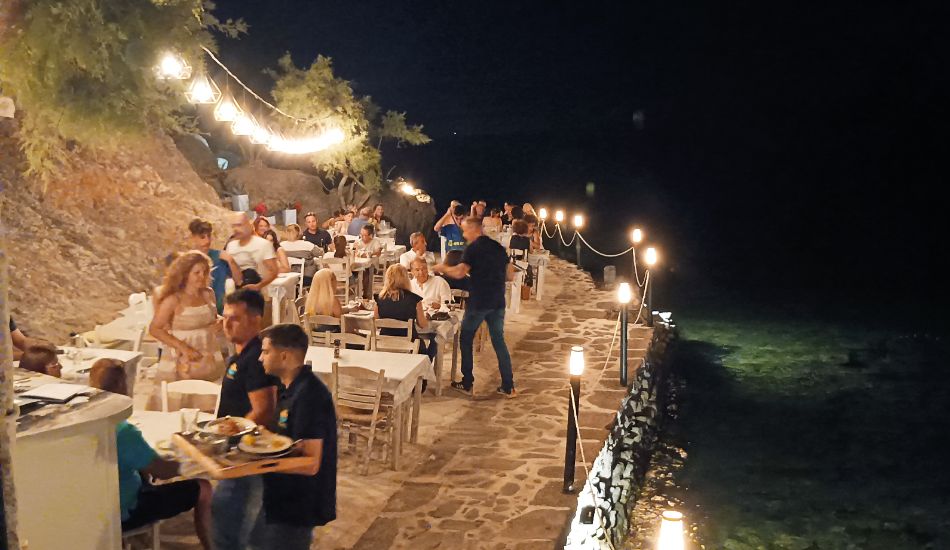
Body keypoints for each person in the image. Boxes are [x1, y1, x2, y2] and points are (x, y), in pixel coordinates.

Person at [90, 359, 212, 549]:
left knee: (142, 470)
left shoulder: (86, 424)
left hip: (93, 507)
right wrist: (194, 461)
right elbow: (163, 472)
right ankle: (211, 546)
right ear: (122, 386)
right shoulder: (123, 431)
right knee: (203, 487)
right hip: (124, 511)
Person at [253, 323, 337, 549]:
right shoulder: (288, 388)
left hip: (297, 504)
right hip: (279, 495)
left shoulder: (310, 396)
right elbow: (285, 438)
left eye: (265, 351)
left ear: (284, 356)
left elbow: (310, 463)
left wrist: (259, 462)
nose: (261, 358)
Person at [212, 289, 279, 550]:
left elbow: (263, 410)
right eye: (225, 317)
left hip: (245, 456)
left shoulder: (255, 359)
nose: (226, 323)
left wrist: (233, 443)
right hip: (236, 451)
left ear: (255, 320)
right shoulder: (240, 355)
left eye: (235, 318)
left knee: (230, 524)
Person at [433, 216, 516, 398]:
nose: (463, 234)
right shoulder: (498, 248)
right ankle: (508, 385)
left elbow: (460, 272)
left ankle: (467, 382)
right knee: (498, 341)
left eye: (464, 230)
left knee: (466, 338)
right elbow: (510, 275)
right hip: (497, 301)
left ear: (474, 229)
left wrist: (443, 267)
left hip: (479, 302)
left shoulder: (473, 249)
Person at [149, 251, 224, 383]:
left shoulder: (208, 294)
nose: (202, 276)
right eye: (197, 273)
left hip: (207, 351)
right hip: (182, 355)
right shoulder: (173, 300)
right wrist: (183, 347)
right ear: (185, 275)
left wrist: (220, 321)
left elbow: (213, 317)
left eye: (205, 272)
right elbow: (155, 329)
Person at [188, 218, 242, 313]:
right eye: (202, 237)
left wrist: (231, 261)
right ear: (193, 238)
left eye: (209, 236)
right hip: (198, 310)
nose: (207, 241)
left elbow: (239, 281)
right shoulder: (188, 260)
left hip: (222, 310)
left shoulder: (221, 257)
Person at [374, 264, 429, 356]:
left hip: (385, 344)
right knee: (433, 345)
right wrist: (425, 317)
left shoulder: (380, 298)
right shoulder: (414, 299)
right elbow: (423, 325)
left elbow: (376, 321)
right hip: (409, 345)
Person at [225, 212, 278, 292]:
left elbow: (273, 271)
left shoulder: (263, 244)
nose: (236, 229)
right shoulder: (231, 245)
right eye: (234, 226)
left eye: (239, 225)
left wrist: (258, 286)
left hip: (257, 291)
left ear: (248, 226)